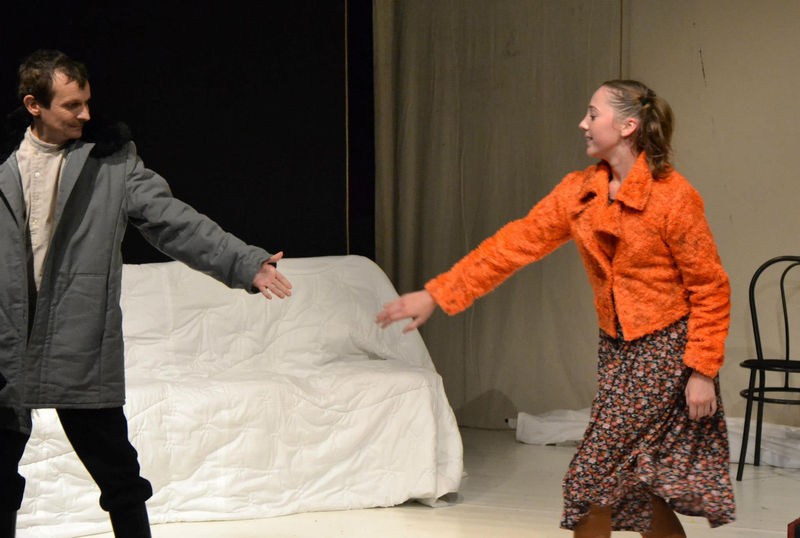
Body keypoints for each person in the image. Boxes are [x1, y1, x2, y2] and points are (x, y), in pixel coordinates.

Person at [377, 80, 735, 536]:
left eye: (593, 114)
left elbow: (710, 287)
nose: (583, 124)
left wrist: (702, 370)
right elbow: (513, 244)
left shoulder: (673, 196)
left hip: (665, 352)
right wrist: (437, 293)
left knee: (590, 479)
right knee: (629, 482)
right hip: (617, 352)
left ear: (628, 125)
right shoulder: (580, 192)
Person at [0, 50, 292, 538]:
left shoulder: (111, 161)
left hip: (77, 336)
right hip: (5, 340)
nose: (85, 114)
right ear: (34, 105)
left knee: (118, 473)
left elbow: (174, 220)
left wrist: (244, 262)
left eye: (87, 102)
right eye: (71, 105)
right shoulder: (5, 160)